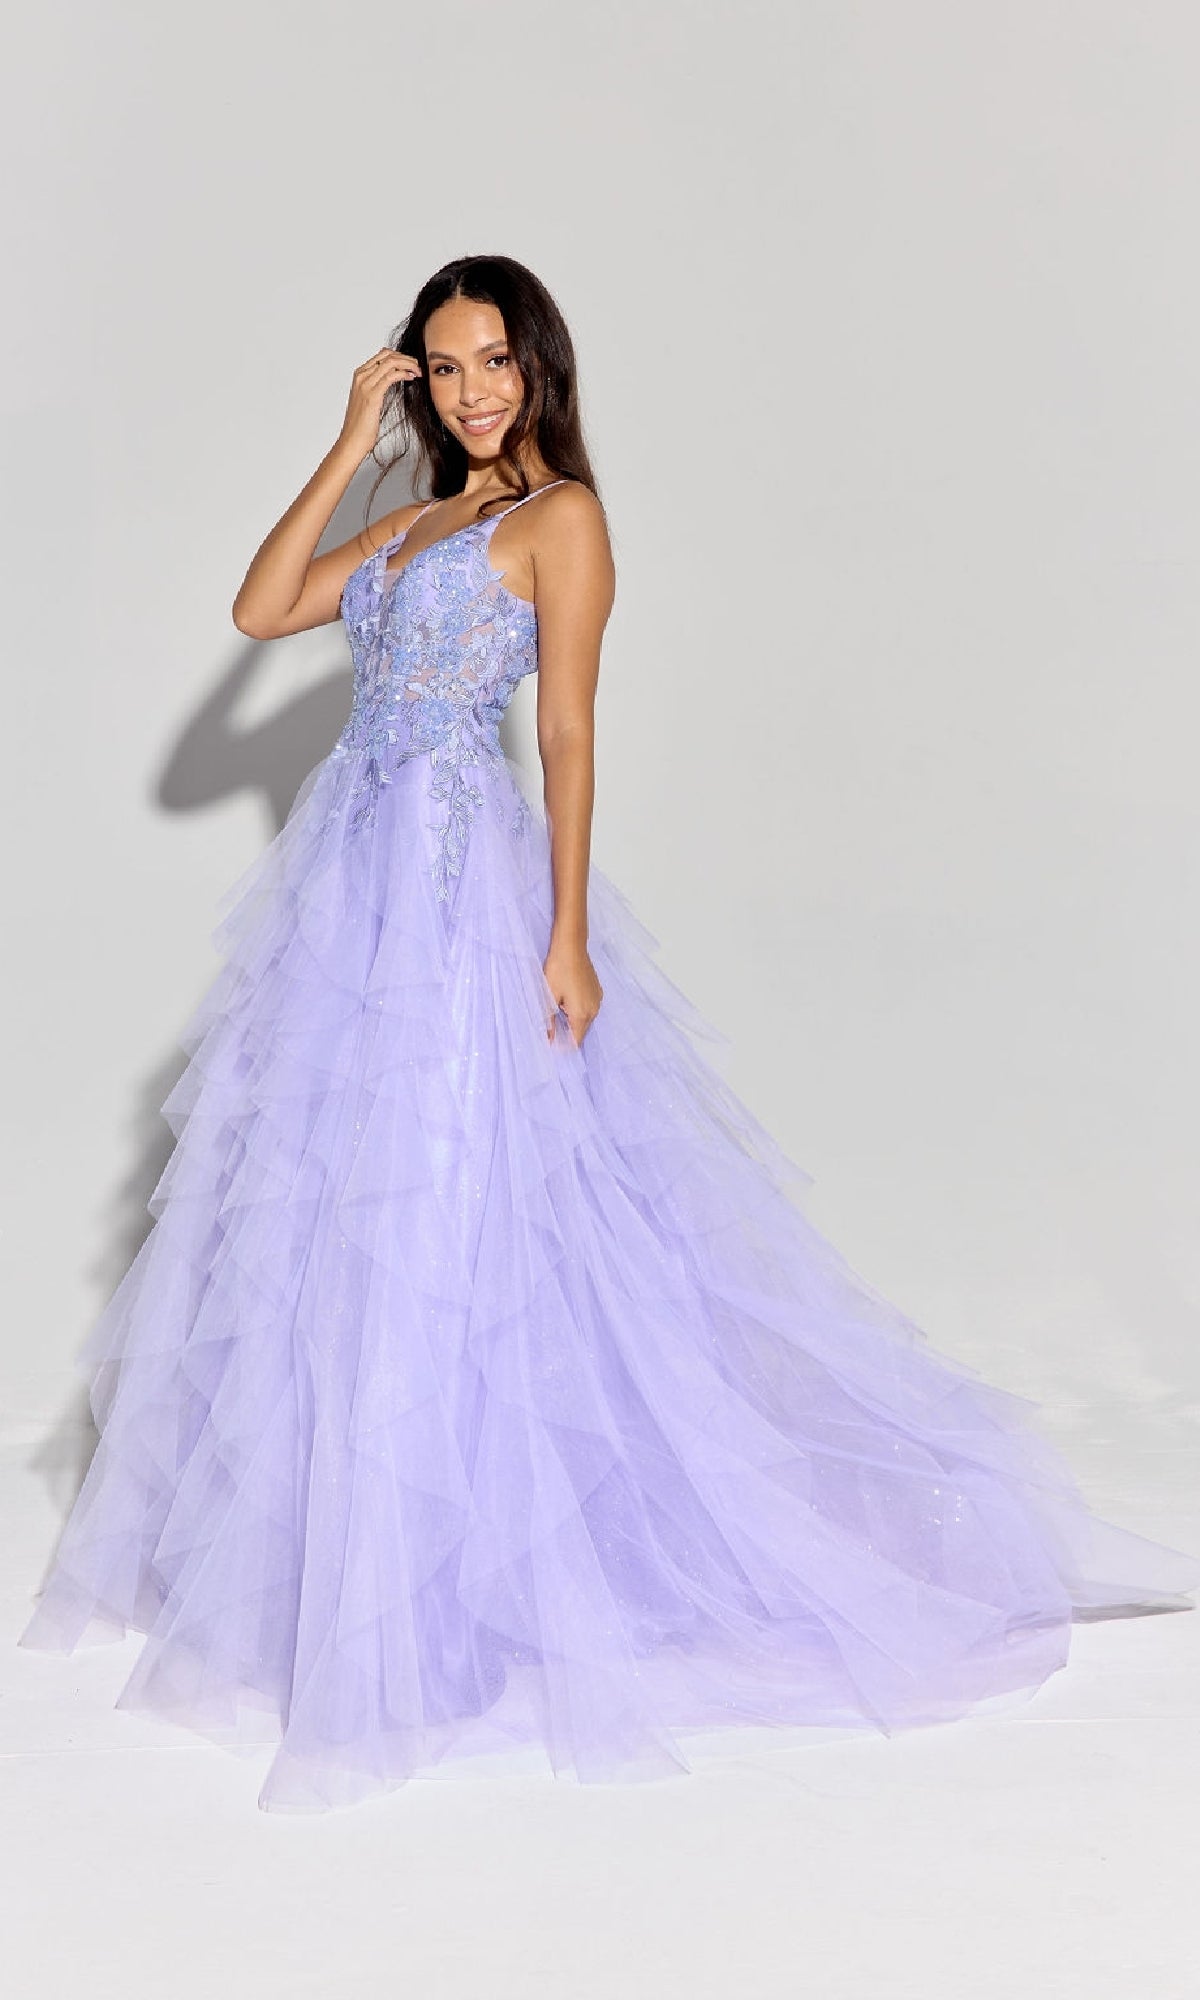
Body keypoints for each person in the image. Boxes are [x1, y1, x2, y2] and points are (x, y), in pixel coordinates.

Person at [20, 254, 1199, 1815]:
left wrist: (565, 933)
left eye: (490, 360)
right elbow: (260, 607)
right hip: (347, 894)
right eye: (439, 368)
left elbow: (567, 727)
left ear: (537, 364)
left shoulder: (555, 523)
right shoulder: (418, 514)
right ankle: (358, 1583)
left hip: (459, 889)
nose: (469, 390)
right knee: (347, 1211)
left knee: (457, 1195)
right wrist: (350, 435)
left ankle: (447, 1600)